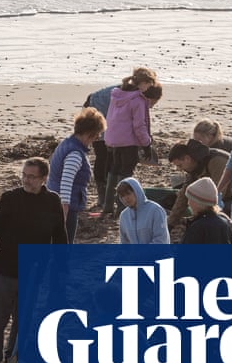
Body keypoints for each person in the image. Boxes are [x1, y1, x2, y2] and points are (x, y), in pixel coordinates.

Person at [0, 157, 68, 363]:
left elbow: (59, 236)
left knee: (24, 320)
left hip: (34, 272)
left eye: (32, 177)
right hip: (3, 269)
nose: (26, 180)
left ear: (44, 178)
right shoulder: (10, 198)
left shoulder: (52, 201)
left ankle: (12, 357)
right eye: (24, 175)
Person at [100, 68, 159, 217]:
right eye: (148, 84)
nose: (149, 88)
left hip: (113, 138)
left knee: (114, 169)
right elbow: (139, 126)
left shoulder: (117, 93)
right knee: (126, 173)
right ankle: (122, 208)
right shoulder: (137, 100)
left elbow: (111, 116)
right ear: (143, 83)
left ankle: (107, 206)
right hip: (128, 141)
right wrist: (146, 144)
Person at [48, 107, 107, 243]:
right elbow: (66, 184)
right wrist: (64, 214)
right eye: (96, 135)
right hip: (63, 208)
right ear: (89, 134)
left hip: (53, 203)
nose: (96, 139)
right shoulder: (74, 154)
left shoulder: (66, 144)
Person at [165, 139, 230, 229]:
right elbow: (184, 196)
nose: (179, 169)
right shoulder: (193, 167)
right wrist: (170, 223)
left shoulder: (216, 161)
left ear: (187, 158)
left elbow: (218, 193)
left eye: (180, 165)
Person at [81, 82, 120, 210]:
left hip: (106, 110)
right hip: (95, 109)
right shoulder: (130, 93)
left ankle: (107, 194)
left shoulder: (134, 93)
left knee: (109, 156)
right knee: (103, 155)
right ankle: (102, 193)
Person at [116, 178, 169, 244]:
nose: (126, 198)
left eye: (128, 193)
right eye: (122, 196)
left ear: (137, 191)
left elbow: (161, 240)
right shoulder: (124, 216)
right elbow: (124, 243)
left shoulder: (155, 210)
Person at [180, 178, 232, 244]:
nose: (188, 203)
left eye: (190, 200)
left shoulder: (198, 227)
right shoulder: (224, 223)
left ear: (198, 203)